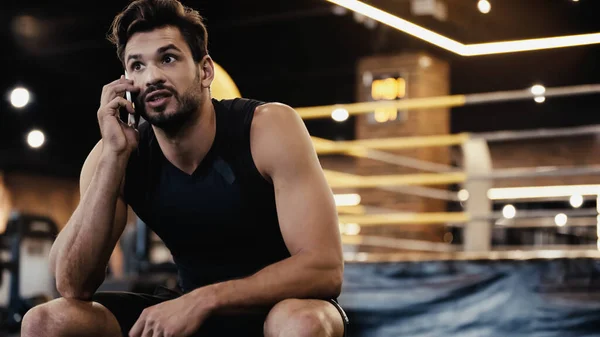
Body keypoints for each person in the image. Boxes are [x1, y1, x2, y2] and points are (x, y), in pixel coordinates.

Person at [20, 0, 348, 336]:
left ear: (205, 71)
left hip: (277, 307)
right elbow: (72, 285)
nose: (152, 77)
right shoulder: (114, 154)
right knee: (45, 322)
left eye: (168, 58)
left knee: (303, 322)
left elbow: (324, 268)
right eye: (137, 66)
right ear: (125, 82)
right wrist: (114, 158)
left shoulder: (267, 128)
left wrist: (204, 299)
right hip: (189, 308)